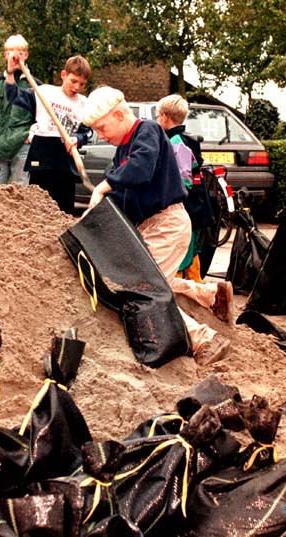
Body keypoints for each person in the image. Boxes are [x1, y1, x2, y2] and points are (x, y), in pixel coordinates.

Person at [82, 86, 232, 366]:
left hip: (168, 223)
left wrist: (105, 185)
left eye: (102, 128)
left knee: (146, 289)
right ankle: (213, 295)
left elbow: (139, 168)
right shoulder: (122, 149)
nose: (101, 136)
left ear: (117, 115)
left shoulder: (148, 131)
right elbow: (122, 195)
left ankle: (203, 339)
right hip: (151, 225)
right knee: (153, 276)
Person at [156, 94, 232, 323]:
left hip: (189, 210)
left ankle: (190, 302)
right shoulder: (185, 140)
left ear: (165, 117)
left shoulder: (177, 144)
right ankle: (201, 297)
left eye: (158, 116)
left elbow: (181, 182)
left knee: (181, 258)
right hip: (197, 209)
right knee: (192, 257)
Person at [4, 54, 92, 214]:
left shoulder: (84, 104)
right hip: (42, 157)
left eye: (82, 84)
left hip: (65, 161)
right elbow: (13, 96)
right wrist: (10, 73)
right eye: (73, 81)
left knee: (63, 212)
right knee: (38, 210)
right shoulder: (44, 93)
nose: (77, 87)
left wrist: (76, 139)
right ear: (63, 75)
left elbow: (86, 132)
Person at [0, 34, 35, 185]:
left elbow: (42, 118)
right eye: (11, 53)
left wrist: (32, 135)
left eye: (20, 54)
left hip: (22, 148)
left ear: (26, 55)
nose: (15, 58)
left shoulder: (35, 86)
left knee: (20, 196)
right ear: (5, 55)